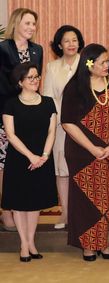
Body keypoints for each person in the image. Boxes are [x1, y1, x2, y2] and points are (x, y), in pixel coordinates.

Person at [61, 43, 109, 261]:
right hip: (82, 153)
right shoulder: (75, 87)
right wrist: (92, 148)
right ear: (89, 64)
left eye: (107, 61)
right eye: (102, 62)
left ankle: (102, 243)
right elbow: (68, 123)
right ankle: (88, 245)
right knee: (85, 199)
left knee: (105, 198)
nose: (107, 65)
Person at [1, 63, 57, 262]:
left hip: (42, 159)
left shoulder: (49, 102)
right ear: (20, 82)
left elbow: (52, 131)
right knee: (19, 204)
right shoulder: (11, 104)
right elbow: (11, 135)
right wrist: (30, 156)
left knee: (35, 203)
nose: (35, 80)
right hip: (19, 159)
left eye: (37, 76)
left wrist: (44, 155)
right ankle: (23, 244)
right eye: (30, 78)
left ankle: (31, 242)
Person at [0, 8, 43, 232]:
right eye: (27, 23)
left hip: (31, 115)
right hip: (6, 112)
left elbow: (36, 83)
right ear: (16, 23)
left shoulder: (37, 50)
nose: (31, 28)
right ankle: (6, 211)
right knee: (4, 164)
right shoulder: (3, 48)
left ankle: (24, 207)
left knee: (24, 161)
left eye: (34, 24)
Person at [43, 25, 85, 230]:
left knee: (83, 168)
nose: (71, 44)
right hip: (61, 126)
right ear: (59, 44)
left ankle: (82, 212)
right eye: (67, 40)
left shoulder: (88, 63)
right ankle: (66, 213)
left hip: (85, 126)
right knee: (62, 170)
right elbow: (48, 99)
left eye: (75, 40)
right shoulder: (52, 67)